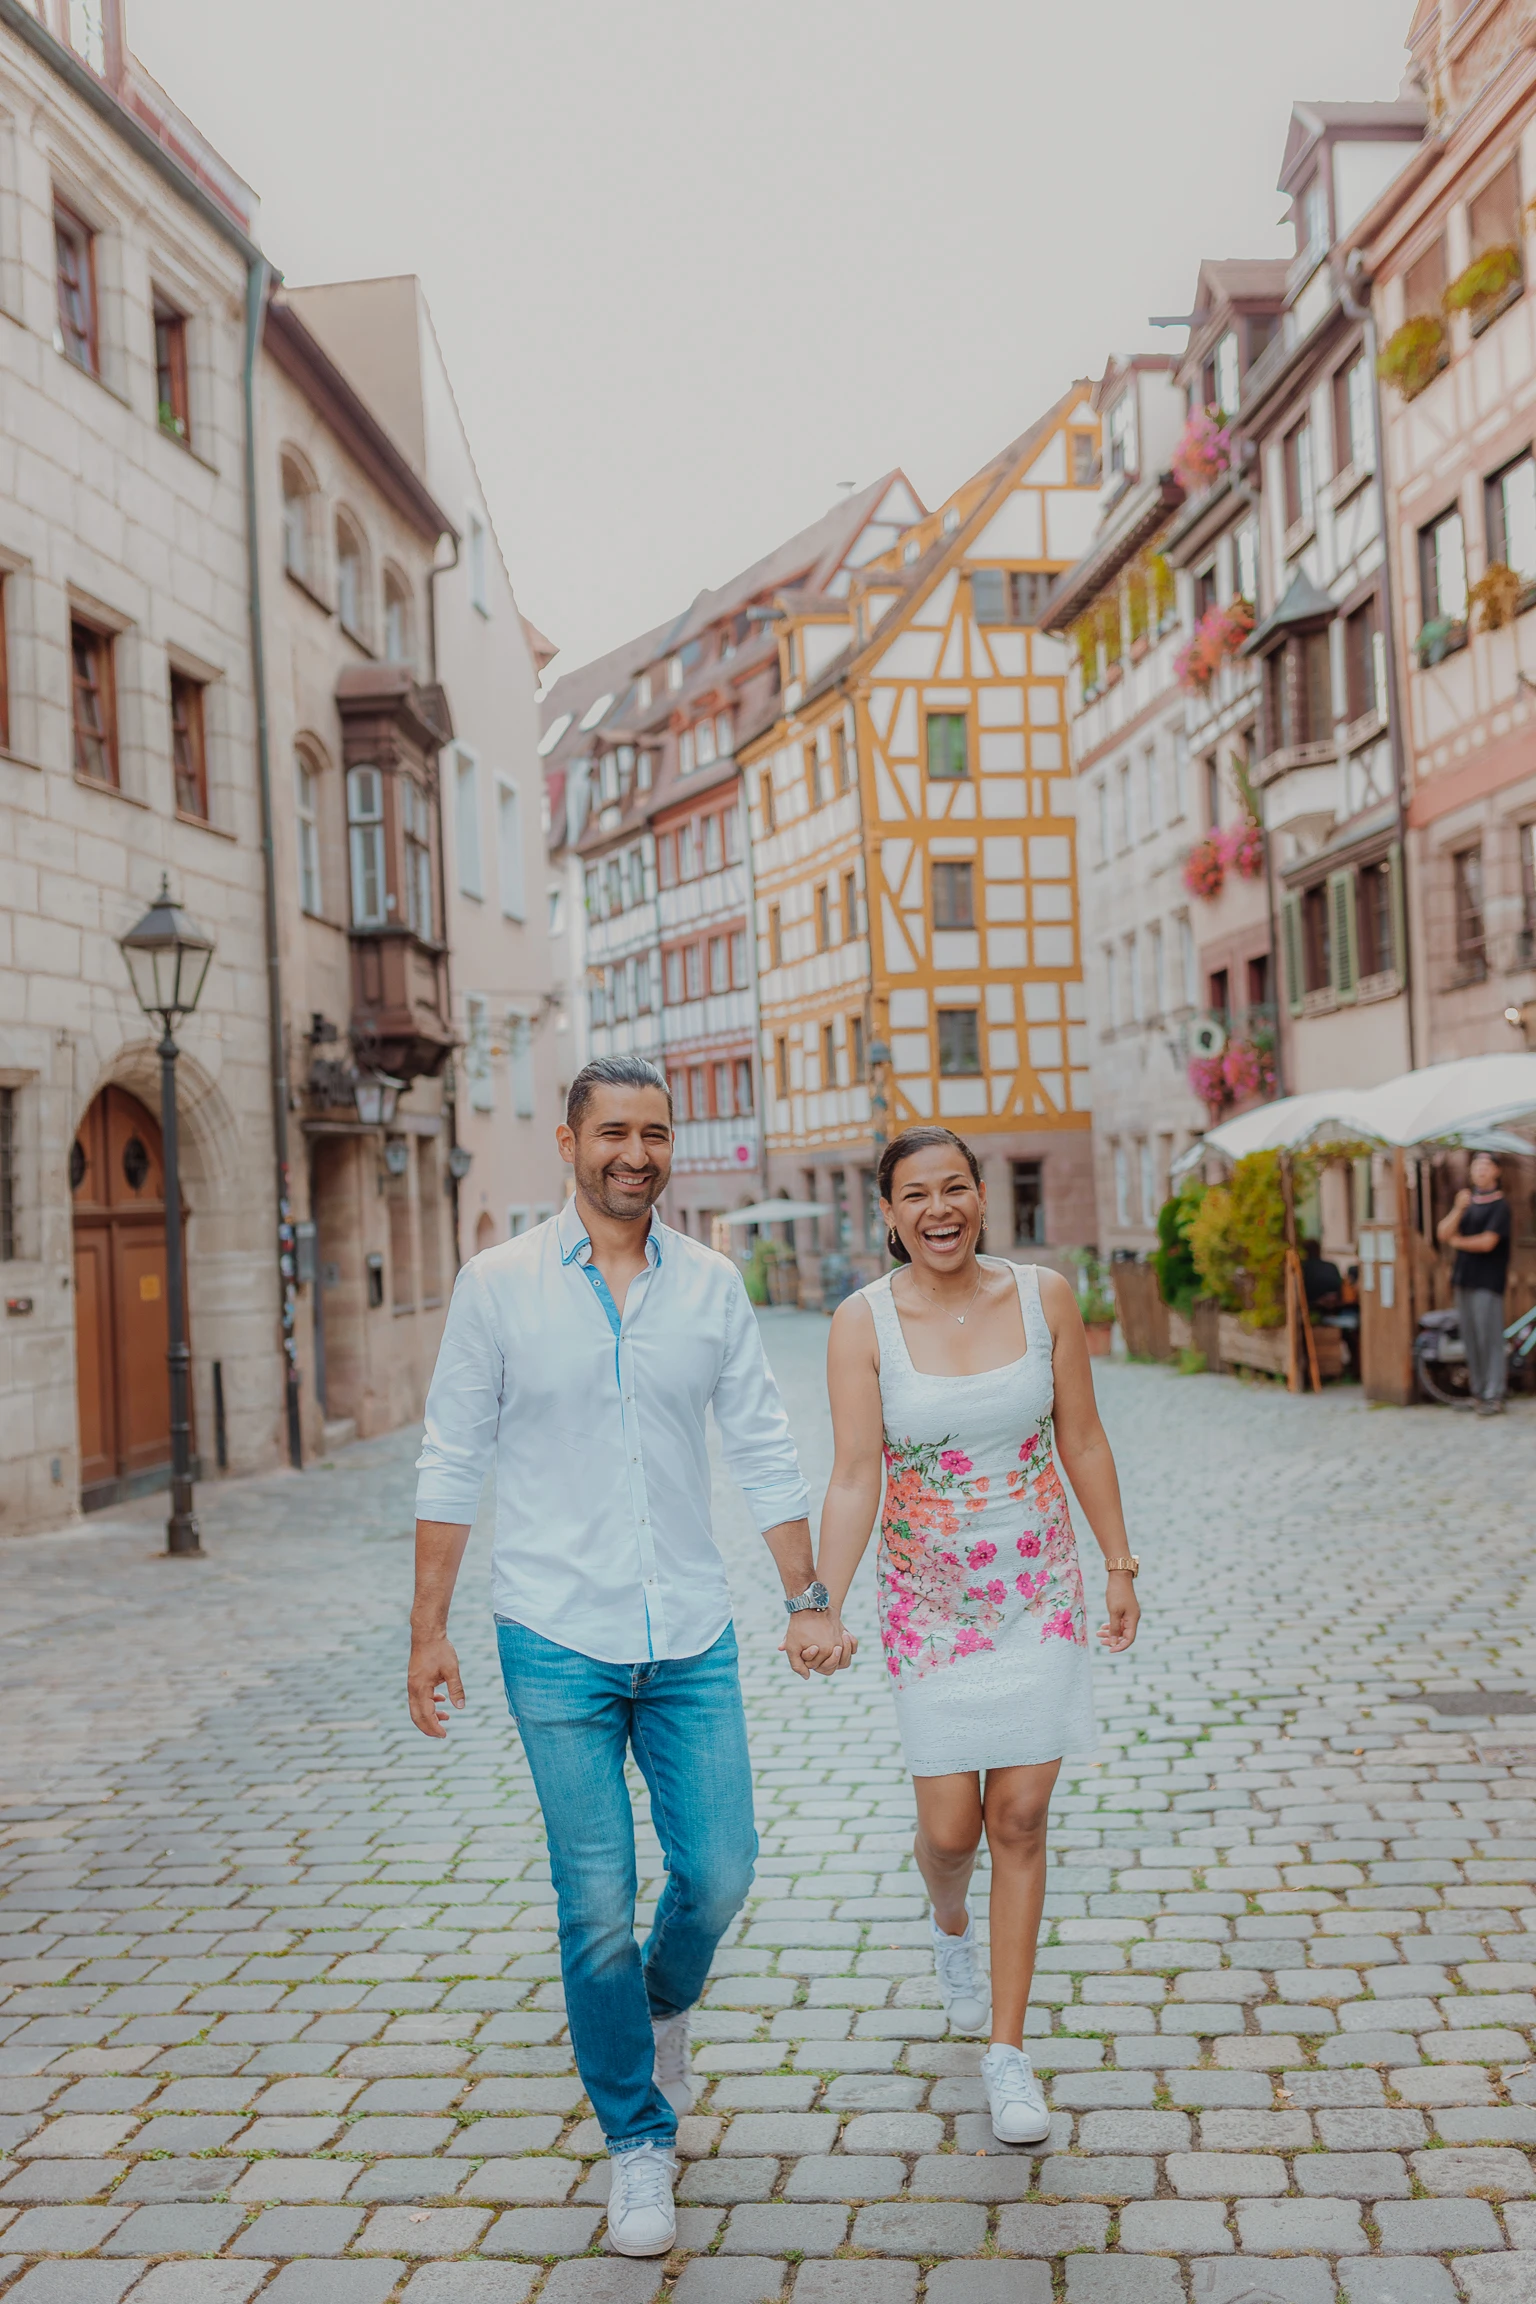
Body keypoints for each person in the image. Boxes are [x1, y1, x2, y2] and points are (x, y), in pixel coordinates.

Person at [408, 1055, 845, 2256]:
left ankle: (658, 2006)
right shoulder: (496, 1287)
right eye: (613, 1133)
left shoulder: (709, 1285)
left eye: (654, 1134)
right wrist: (427, 1630)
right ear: (568, 1142)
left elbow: (762, 1444)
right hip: (553, 1634)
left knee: (723, 1870)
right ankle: (636, 2140)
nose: (634, 1154)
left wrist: (805, 1594)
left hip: (690, 1632)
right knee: (594, 1900)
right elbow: (451, 1458)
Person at [811, 1126, 1140, 2147]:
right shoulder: (860, 1323)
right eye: (917, 1195)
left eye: (956, 1188)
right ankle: (949, 1925)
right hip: (930, 1603)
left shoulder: (1042, 1298)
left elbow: (1080, 1434)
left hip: (1037, 1587)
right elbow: (857, 1474)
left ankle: (1007, 2051)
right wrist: (820, 1599)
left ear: (981, 1199)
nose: (939, 1209)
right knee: (951, 1832)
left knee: (1023, 1817)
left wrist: (1117, 1564)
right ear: (891, 1213)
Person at [1437, 1151, 1513, 1415]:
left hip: (1488, 1282)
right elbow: (1443, 1233)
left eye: (1485, 1166)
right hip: (1464, 1279)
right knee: (1470, 1339)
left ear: (1496, 1171)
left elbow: (1488, 1242)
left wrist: (1458, 1242)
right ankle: (1479, 1393)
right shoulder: (1467, 1202)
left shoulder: (1500, 1206)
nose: (1480, 1170)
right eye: (1476, 1165)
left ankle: (1495, 1393)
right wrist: (1458, 1208)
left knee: (1489, 1338)